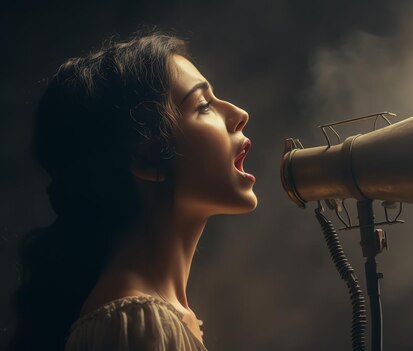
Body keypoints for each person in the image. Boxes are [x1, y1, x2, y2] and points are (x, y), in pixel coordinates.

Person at [8, 30, 257, 351]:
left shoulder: (157, 318)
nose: (239, 115)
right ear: (145, 157)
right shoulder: (138, 325)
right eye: (203, 105)